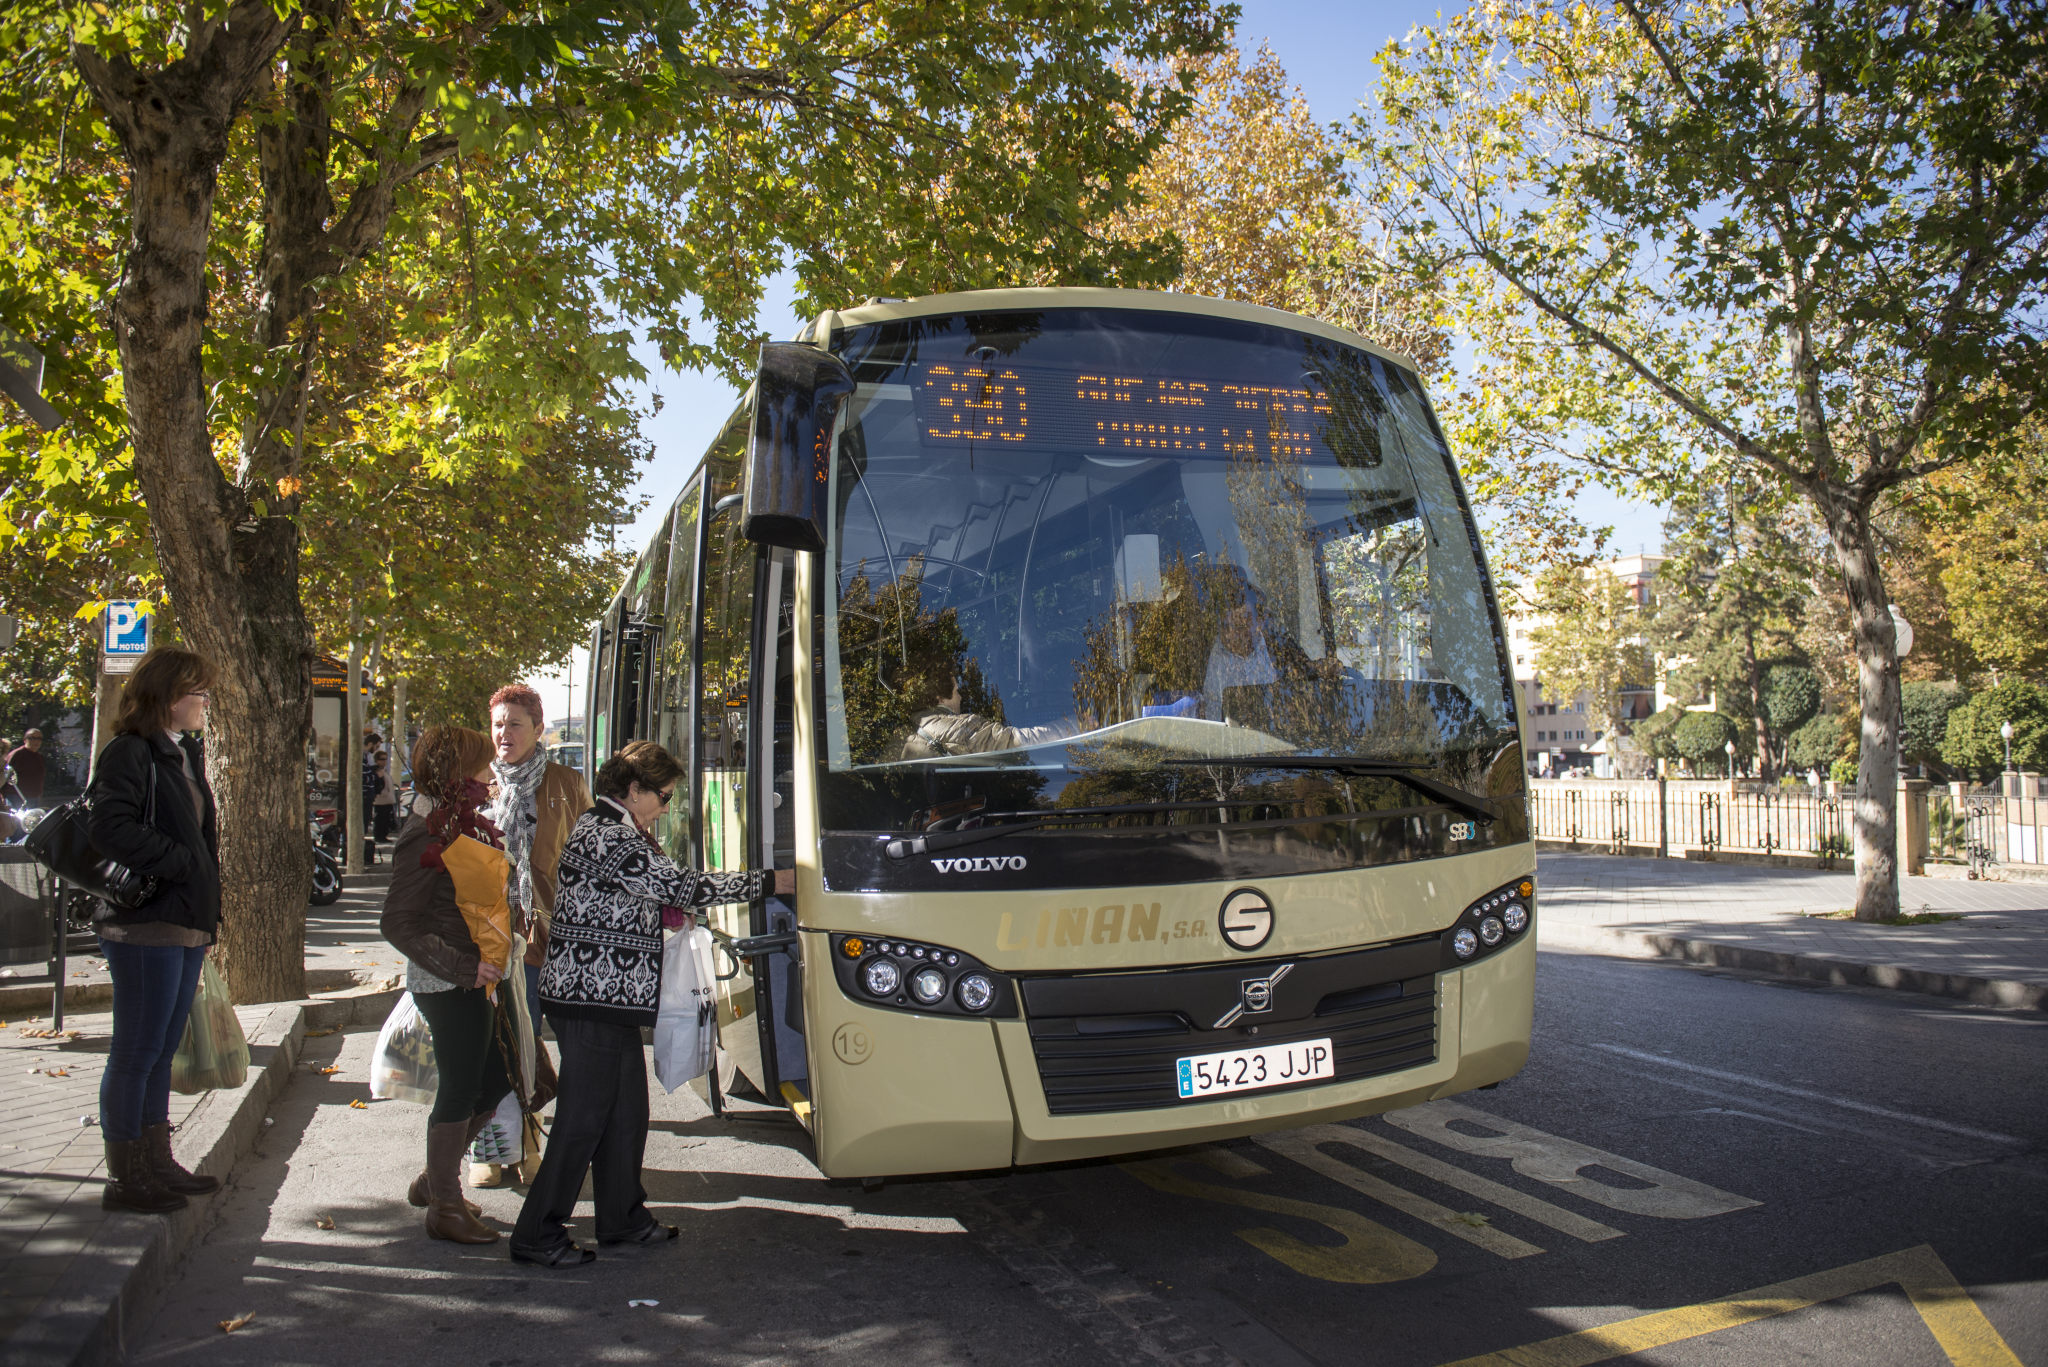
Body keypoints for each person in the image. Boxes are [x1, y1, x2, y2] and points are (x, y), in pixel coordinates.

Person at [511, 740, 788, 1267]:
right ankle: (537, 1233)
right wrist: (773, 881)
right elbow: (681, 887)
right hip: (590, 998)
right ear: (633, 791)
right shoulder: (609, 835)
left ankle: (622, 1220)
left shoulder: (614, 829)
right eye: (662, 797)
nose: (666, 807)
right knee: (584, 1119)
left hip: (603, 998)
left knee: (625, 1116)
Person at [84, 649, 222, 1214]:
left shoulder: (182, 752)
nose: (205, 704)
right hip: (145, 923)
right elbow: (108, 827)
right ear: (168, 695)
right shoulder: (130, 752)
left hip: (183, 922)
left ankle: (156, 1159)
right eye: (198, 693)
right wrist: (178, 862)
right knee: (137, 1049)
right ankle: (126, 1176)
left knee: (162, 1048)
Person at [379, 725, 515, 1244]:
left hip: (470, 974)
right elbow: (397, 921)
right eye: (481, 763)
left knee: (496, 1078)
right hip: (447, 980)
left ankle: (435, 1184)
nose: (489, 772)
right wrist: (461, 967)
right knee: (463, 1087)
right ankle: (444, 1206)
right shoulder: (426, 829)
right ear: (459, 771)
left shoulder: (457, 821)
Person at [469, 683, 591, 1189]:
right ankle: (493, 1152)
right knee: (497, 1050)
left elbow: (590, 856)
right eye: (498, 724)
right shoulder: (476, 785)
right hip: (493, 939)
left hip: (551, 938)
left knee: (560, 1048)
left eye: (515, 723)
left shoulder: (567, 783)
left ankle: (538, 1144)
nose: (504, 733)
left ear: (539, 730)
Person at [899, 674, 1080, 760]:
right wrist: (1078, 724)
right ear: (940, 697)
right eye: (956, 691)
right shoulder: (960, 728)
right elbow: (1022, 741)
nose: (961, 697)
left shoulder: (906, 726)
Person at [7, 729, 46, 805]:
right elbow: (5, 774)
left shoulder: (39, 757)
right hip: (16, 797)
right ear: (25, 740)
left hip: (34, 797)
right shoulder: (17, 754)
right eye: (33, 738)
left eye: (39, 739)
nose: (36, 741)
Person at [371, 751, 398, 841]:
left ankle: (383, 835)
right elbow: (378, 785)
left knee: (386, 819)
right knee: (380, 819)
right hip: (380, 800)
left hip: (387, 800)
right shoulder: (376, 771)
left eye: (385, 759)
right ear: (376, 760)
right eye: (382, 759)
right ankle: (379, 836)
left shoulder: (384, 771)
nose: (384, 761)